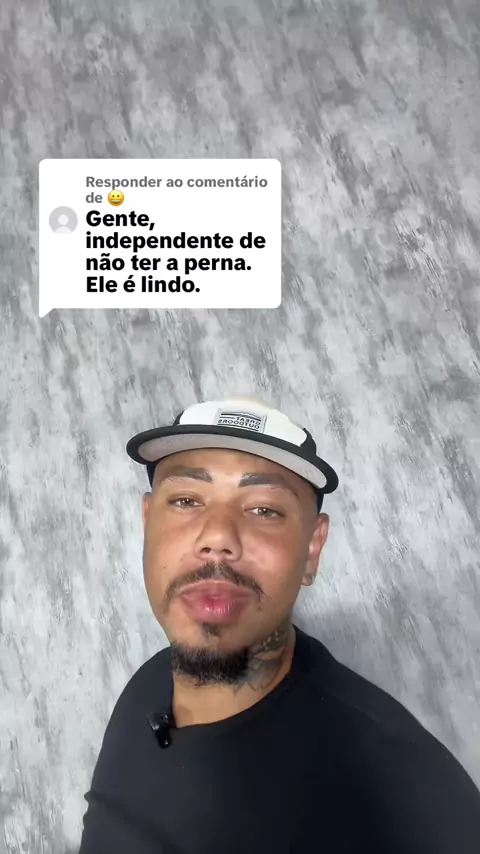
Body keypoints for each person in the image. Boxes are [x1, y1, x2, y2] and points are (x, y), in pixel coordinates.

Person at [78, 395, 480, 853]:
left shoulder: (406, 805)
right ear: (148, 521)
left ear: (312, 549)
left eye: (264, 510)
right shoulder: (149, 683)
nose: (218, 537)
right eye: (186, 500)